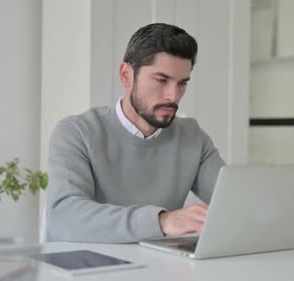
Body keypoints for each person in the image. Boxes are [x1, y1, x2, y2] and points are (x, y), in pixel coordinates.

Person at [45, 23, 225, 243]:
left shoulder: (193, 137)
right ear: (126, 75)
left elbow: (231, 205)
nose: (173, 95)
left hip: (159, 268)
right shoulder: (76, 132)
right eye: (161, 80)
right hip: (90, 269)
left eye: (182, 83)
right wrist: (162, 221)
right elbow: (64, 218)